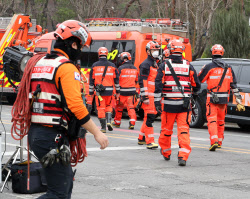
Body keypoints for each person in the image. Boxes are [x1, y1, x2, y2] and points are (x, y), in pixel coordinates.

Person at [28, 20, 109, 198]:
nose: (79, 52)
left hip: (38, 133)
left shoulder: (40, 63)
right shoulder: (66, 68)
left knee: (64, 188)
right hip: (51, 136)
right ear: (73, 44)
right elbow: (75, 105)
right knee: (59, 193)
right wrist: (97, 132)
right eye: (79, 47)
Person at [154, 39, 201, 166]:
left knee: (166, 130)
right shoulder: (188, 65)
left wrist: (157, 102)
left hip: (168, 105)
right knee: (184, 131)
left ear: (170, 49)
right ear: (182, 51)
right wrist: (194, 94)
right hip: (184, 106)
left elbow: (158, 84)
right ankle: (183, 156)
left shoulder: (164, 65)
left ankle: (166, 152)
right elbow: (196, 84)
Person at [198, 44, 244, 151]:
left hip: (212, 99)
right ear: (222, 53)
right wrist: (238, 98)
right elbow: (233, 84)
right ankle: (219, 141)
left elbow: (199, 80)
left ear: (212, 53)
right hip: (224, 100)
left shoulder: (209, 66)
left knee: (212, 120)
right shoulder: (228, 67)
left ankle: (213, 141)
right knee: (221, 120)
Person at [89, 47, 120, 133]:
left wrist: (91, 92)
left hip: (99, 93)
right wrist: (117, 91)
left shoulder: (94, 65)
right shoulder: (112, 66)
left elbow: (91, 80)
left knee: (100, 108)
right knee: (109, 106)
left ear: (99, 54)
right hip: (110, 92)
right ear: (107, 54)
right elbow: (116, 80)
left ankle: (103, 127)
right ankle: (109, 122)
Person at [138, 41, 160, 149]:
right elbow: (143, 82)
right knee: (150, 118)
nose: (156, 52)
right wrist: (144, 96)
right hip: (149, 96)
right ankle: (150, 141)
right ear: (148, 51)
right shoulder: (146, 64)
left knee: (148, 117)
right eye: (153, 50)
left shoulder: (155, 64)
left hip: (154, 96)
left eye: (157, 50)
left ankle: (141, 138)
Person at [112, 52, 139, 129]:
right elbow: (136, 80)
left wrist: (116, 91)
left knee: (119, 107)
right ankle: (132, 123)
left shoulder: (120, 69)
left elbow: (117, 80)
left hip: (122, 92)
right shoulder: (135, 68)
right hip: (131, 92)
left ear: (124, 59)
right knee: (130, 107)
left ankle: (117, 122)